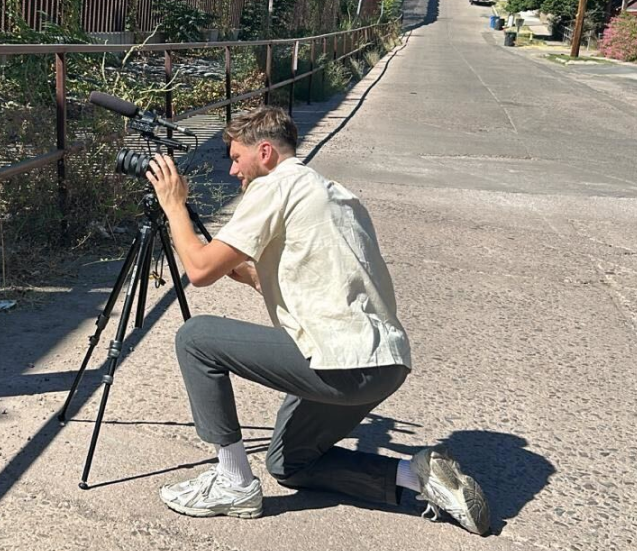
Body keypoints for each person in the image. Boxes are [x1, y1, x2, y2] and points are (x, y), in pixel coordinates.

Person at [143, 106, 491, 535]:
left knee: (196, 338)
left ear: (265, 152)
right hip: (384, 365)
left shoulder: (274, 185)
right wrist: (242, 268)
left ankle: (233, 482)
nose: (233, 171)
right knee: (289, 463)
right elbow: (299, 278)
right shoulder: (334, 194)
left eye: (236, 158)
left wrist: (174, 205)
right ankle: (418, 476)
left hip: (342, 364)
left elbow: (198, 271)